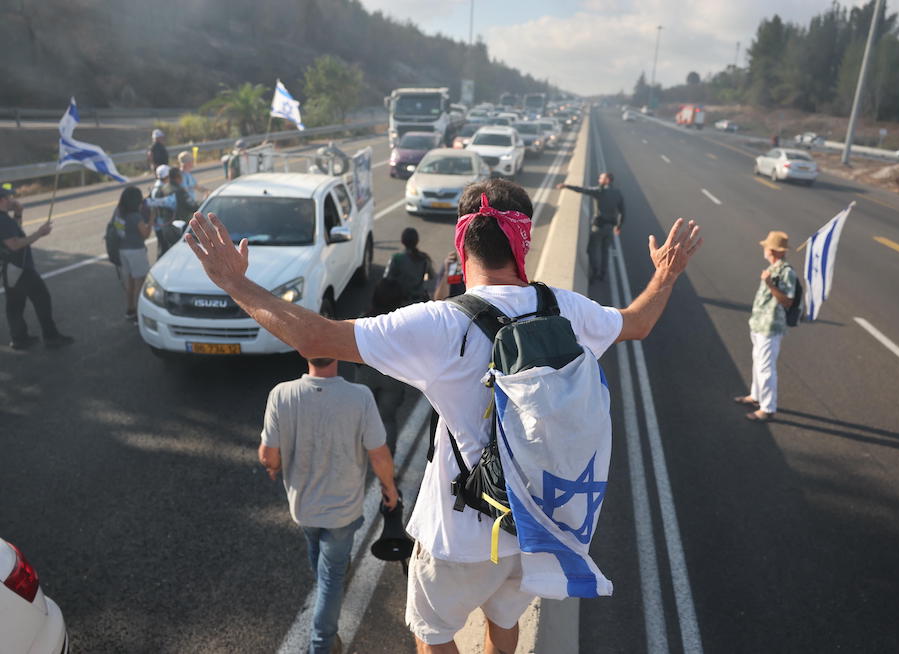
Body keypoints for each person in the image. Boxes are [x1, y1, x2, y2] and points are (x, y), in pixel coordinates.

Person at [186, 178, 701, 653]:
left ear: (462, 244)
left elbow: (316, 337)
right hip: (539, 526)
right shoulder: (566, 308)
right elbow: (637, 323)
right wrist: (666, 273)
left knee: (432, 634)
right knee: (504, 623)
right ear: (522, 244)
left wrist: (235, 283)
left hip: (458, 537)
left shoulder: (439, 325)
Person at [259, 356, 398, 654]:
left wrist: (275, 466)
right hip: (343, 511)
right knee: (331, 577)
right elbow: (379, 456)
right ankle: (322, 646)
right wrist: (390, 489)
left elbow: (268, 456)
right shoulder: (360, 397)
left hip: (304, 508)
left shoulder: (281, 394)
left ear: (305, 354)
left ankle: (326, 619)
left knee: (323, 565)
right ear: (335, 354)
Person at [734, 230, 797, 423]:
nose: (764, 250)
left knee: (766, 367)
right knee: (758, 363)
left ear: (773, 250)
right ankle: (756, 396)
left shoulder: (786, 272)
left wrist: (770, 284)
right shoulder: (774, 268)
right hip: (760, 325)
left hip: (771, 327)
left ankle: (768, 408)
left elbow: (788, 301)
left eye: (766, 247)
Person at [0, 187, 73, 350]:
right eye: (9, 196)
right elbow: (15, 244)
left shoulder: (5, 219)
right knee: (42, 298)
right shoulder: (2, 220)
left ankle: (19, 338)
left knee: (15, 305)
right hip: (20, 268)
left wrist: (18, 214)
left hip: (9, 269)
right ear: (2, 200)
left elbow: (15, 234)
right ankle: (51, 337)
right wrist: (39, 233)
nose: (12, 199)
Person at [355, 279, 411, 455]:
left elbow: (353, 350)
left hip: (366, 373)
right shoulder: (402, 323)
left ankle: (358, 460)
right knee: (387, 420)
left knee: (361, 418)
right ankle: (389, 464)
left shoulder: (364, 320)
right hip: (392, 376)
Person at [557, 172, 625, 282]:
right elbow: (623, 212)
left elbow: (582, 189)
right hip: (610, 228)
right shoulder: (618, 193)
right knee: (605, 251)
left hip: (598, 227)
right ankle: (603, 274)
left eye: (601, 178)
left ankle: (595, 272)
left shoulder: (599, 191)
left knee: (591, 250)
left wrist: (566, 186)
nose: (599, 179)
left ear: (607, 180)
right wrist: (619, 226)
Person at [112, 187, 153, 322]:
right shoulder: (135, 216)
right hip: (136, 251)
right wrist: (152, 219)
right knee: (140, 284)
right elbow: (145, 234)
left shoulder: (118, 212)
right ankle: (140, 314)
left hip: (122, 250)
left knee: (130, 282)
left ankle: (130, 309)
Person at [383, 227, 435, 303]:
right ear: (417, 241)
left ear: (402, 241)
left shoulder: (396, 258)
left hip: (400, 301)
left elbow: (386, 279)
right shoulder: (424, 258)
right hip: (419, 301)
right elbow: (432, 276)